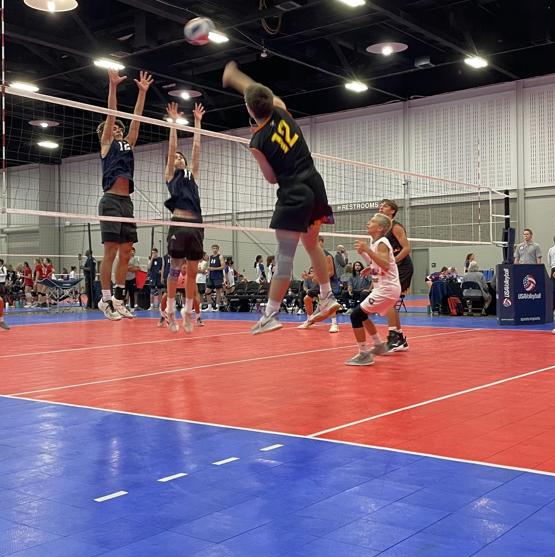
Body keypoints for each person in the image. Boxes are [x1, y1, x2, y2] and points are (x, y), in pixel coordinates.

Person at [222, 60, 338, 334]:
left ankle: (270, 314)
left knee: (284, 254)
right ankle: (327, 295)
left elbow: (271, 178)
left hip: (293, 193)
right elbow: (258, 92)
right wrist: (236, 77)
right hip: (315, 185)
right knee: (312, 245)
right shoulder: (281, 108)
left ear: (249, 110)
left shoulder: (256, 142)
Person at [96, 67, 152, 321]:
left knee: (126, 252)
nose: (117, 130)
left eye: (119, 129)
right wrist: (113, 86)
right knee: (110, 252)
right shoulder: (106, 144)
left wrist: (142, 92)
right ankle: (105, 299)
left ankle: (119, 298)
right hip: (110, 201)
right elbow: (112, 114)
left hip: (126, 202)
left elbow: (136, 120)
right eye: (113, 129)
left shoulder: (128, 144)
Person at [162, 101, 205, 334]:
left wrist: (197, 122)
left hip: (196, 224)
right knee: (175, 269)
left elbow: (196, 148)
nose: (178, 158)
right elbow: (172, 148)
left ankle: (188, 311)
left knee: (192, 272)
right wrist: (174, 123)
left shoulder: (192, 173)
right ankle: (170, 310)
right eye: (176, 158)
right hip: (179, 224)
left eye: (181, 157)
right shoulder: (171, 174)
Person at [346, 213, 400, 365]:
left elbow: (385, 264)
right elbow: (380, 267)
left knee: (355, 315)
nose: (368, 223)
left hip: (387, 289)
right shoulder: (374, 242)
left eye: (372, 221)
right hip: (384, 288)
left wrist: (367, 251)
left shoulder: (382, 242)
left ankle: (364, 354)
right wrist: (369, 267)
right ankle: (378, 345)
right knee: (362, 314)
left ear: (380, 228)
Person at [378, 199, 413, 351]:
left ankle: (395, 338)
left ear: (392, 211)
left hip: (403, 267)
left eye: (384, 206)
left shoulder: (395, 227)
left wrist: (393, 262)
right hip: (392, 268)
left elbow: (406, 248)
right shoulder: (382, 229)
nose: (381, 207)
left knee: (389, 302)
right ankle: (399, 339)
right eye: (380, 205)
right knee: (389, 302)